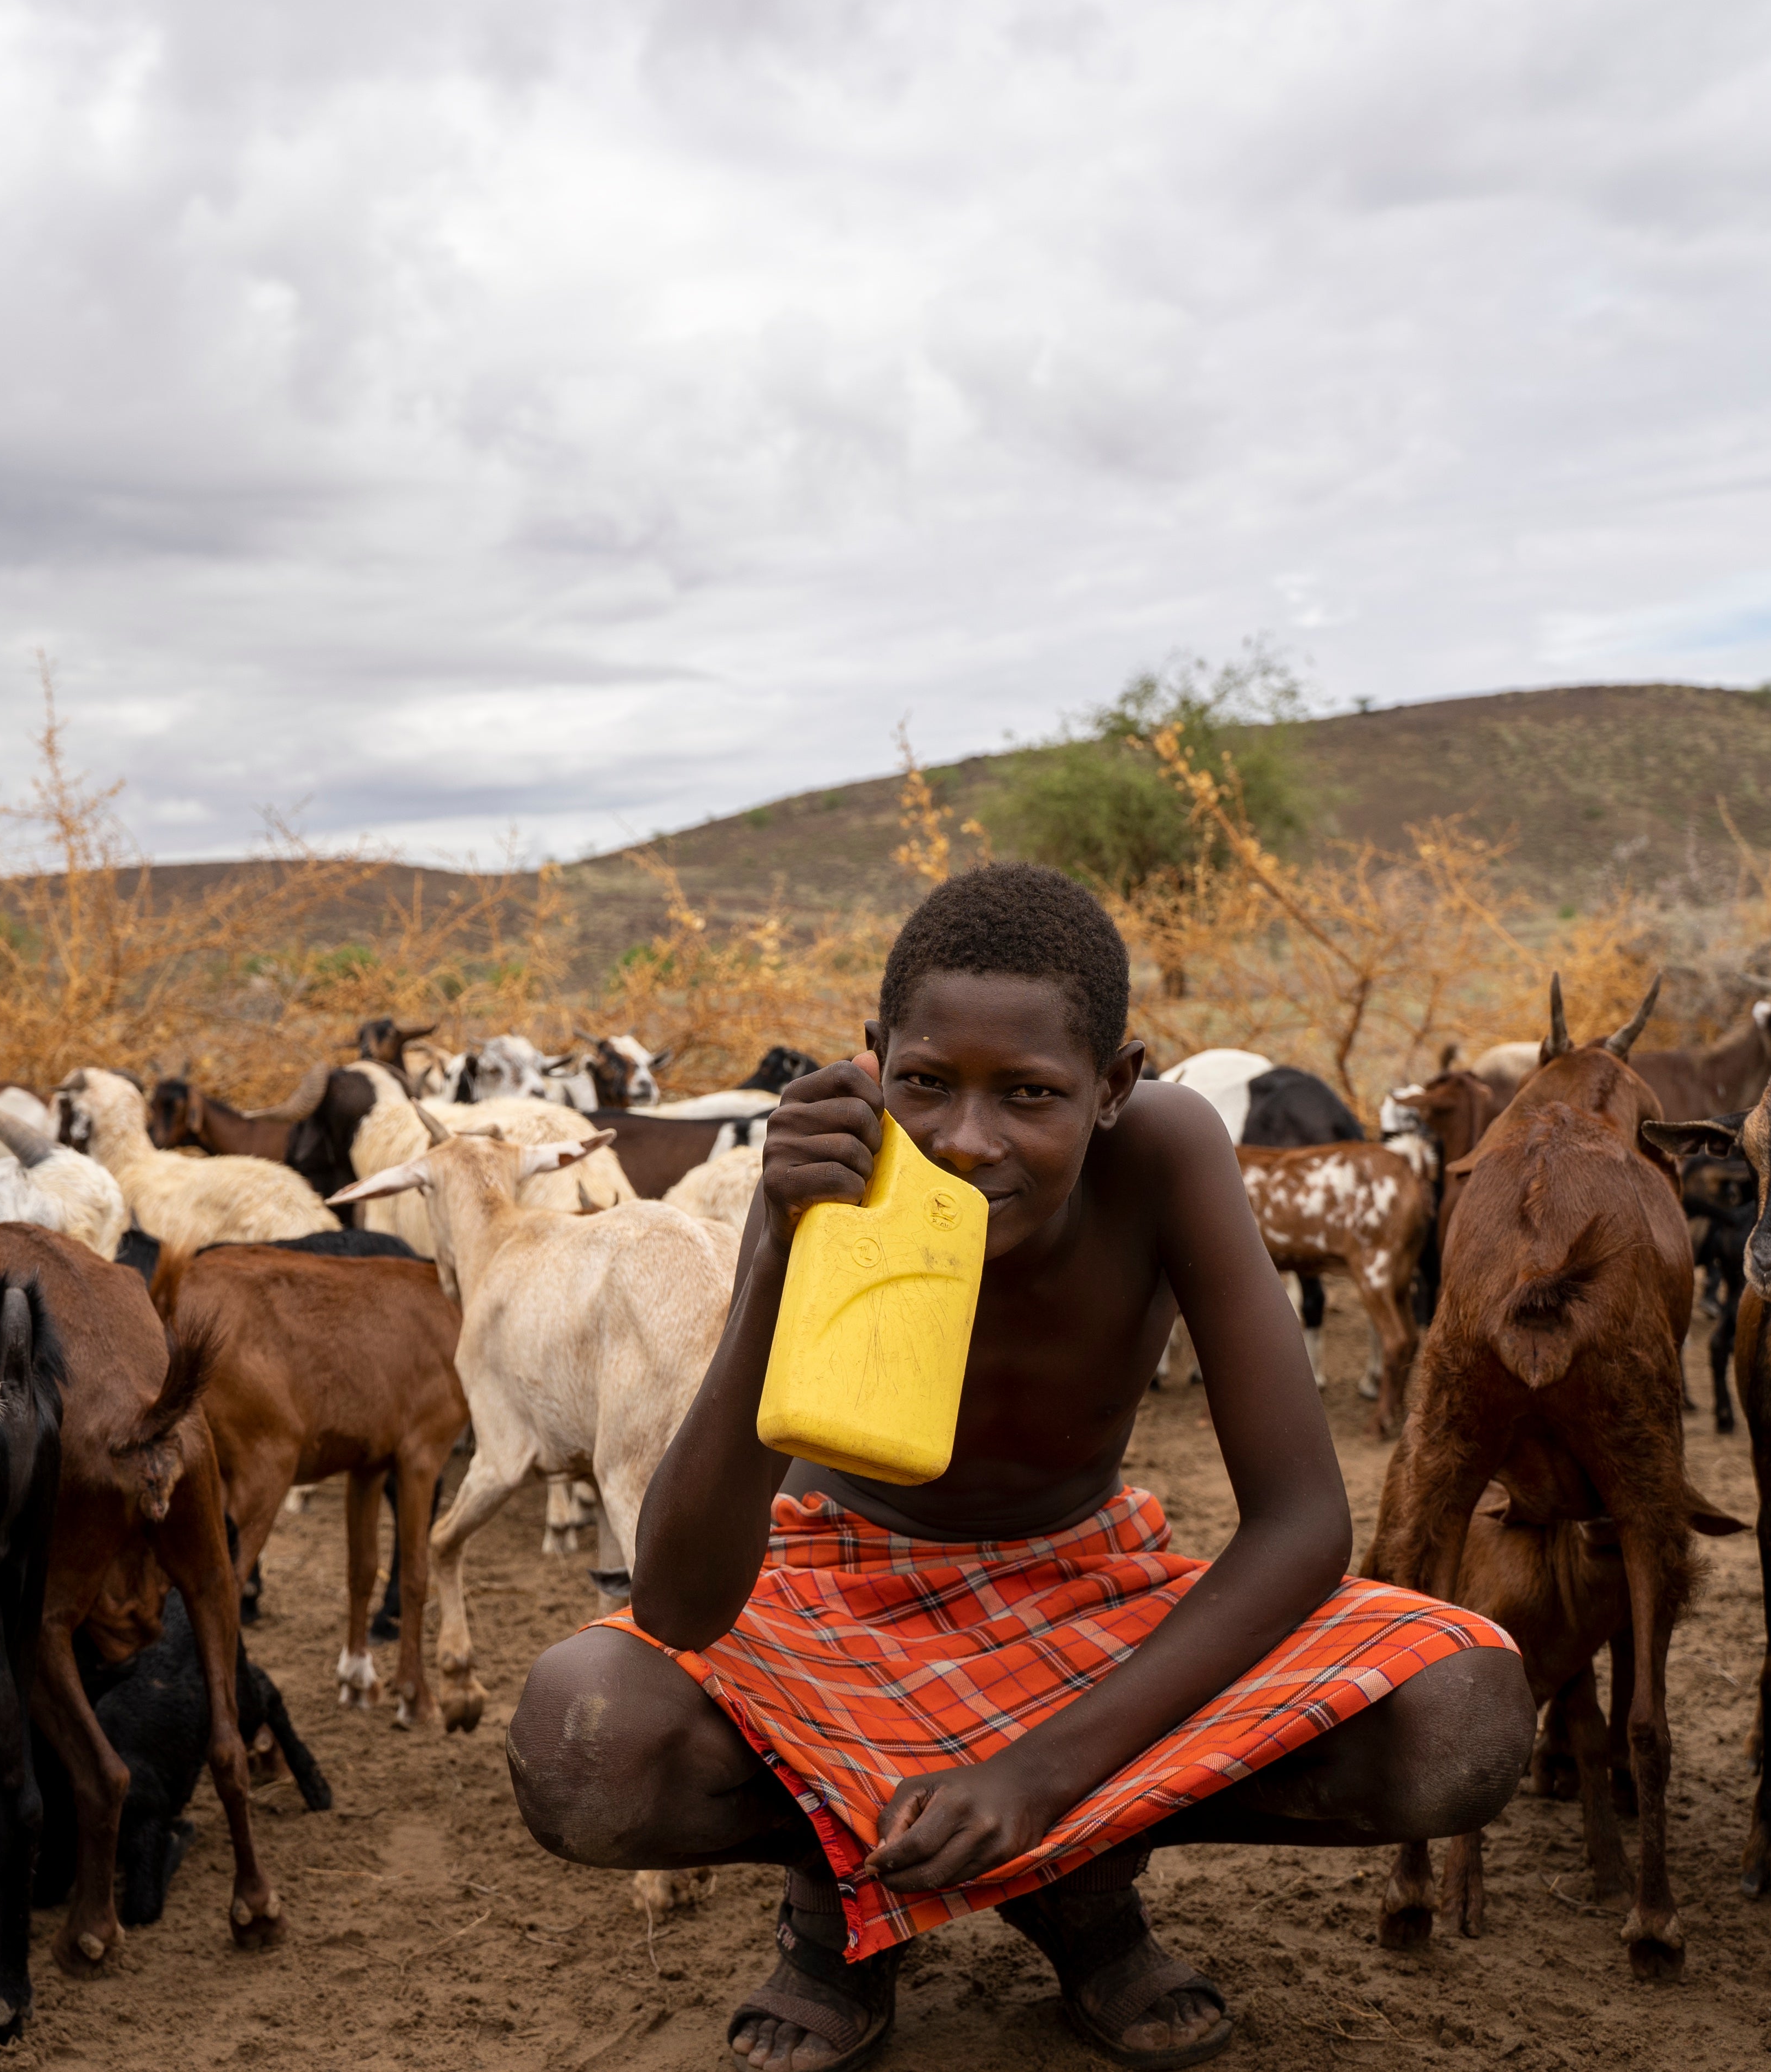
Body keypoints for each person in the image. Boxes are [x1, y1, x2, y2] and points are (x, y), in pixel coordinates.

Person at [507, 864, 1530, 2070]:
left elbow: (1304, 1521)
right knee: (582, 1739)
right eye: (926, 1081)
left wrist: (1041, 1772)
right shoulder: (831, 1171)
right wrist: (780, 1252)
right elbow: (680, 1603)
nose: (964, 1139)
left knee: (1461, 1712)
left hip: (1082, 1580)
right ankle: (833, 1903)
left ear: (1115, 1086)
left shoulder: (1167, 1153)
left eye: (1031, 1093)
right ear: (875, 1052)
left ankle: (1079, 1875)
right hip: (837, 1591)